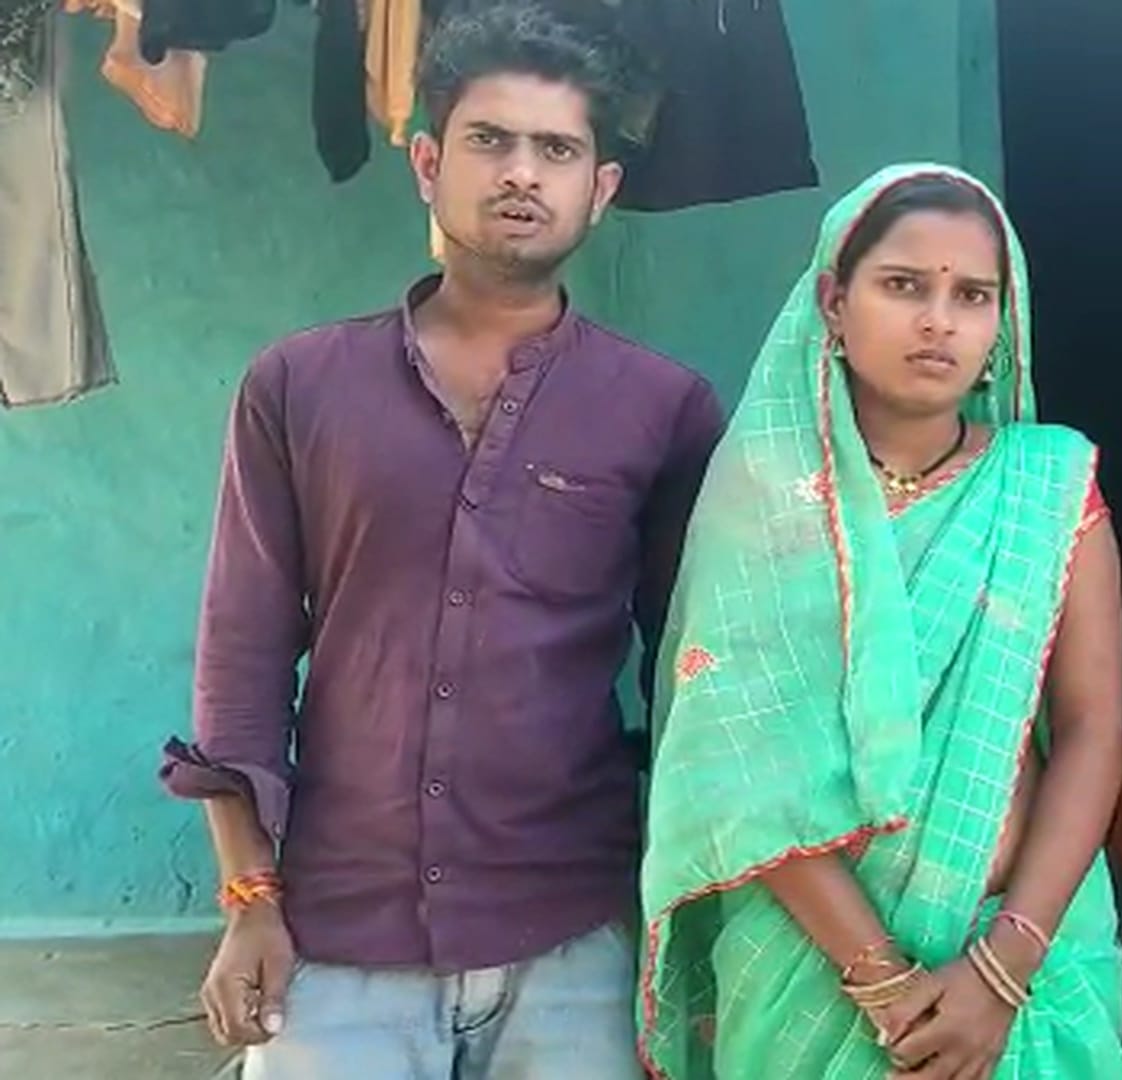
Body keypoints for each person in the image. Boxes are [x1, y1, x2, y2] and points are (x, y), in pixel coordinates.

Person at [157, 5, 723, 1076]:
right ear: (427, 163)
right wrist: (249, 897)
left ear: (600, 188)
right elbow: (242, 655)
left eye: (557, 150)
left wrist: (679, 920)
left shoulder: (663, 410)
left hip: (575, 940)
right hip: (339, 933)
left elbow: (695, 683)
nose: (522, 173)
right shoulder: (300, 387)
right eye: (489, 140)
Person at [638, 164, 1122, 1079]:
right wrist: (884, 982)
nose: (939, 320)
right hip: (811, 972)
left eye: (972, 295)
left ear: (1001, 320)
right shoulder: (768, 508)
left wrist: (1003, 970)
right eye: (904, 285)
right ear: (834, 303)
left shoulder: (1049, 486)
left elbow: (1092, 731)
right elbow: (745, 761)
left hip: (1025, 960)